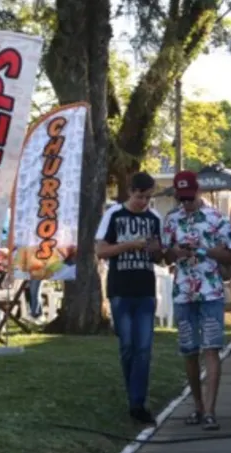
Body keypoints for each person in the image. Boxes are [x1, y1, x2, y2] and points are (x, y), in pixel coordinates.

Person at [162, 171, 231, 431]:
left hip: (210, 292)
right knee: (189, 350)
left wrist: (203, 250)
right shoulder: (171, 219)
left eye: (190, 197)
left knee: (211, 348)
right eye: (181, 198)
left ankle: (211, 410)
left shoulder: (216, 218)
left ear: (199, 191)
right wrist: (174, 252)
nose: (186, 203)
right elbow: (165, 256)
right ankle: (197, 406)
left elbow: (230, 255)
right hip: (184, 292)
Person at [95, 172, 163, 423]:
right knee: (127, 346)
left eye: (147, 197)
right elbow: (101, 251)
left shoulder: (155, 218)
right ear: (130, 191)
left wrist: (157, 252)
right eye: (139, 196)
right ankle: (132, 393)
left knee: (143, 347)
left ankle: (138, 402)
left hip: (145, 289)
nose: (143, 202)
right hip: (120, 289)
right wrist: (130, 245)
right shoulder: (114, 215)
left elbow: (159, 256)